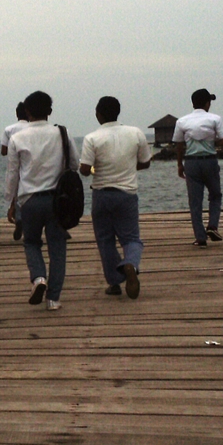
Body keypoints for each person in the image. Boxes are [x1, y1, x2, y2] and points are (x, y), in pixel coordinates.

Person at [5, 91, 79, 311]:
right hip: (58, 200)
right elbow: (74, 164)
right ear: (50, 111)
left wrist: (11, 202)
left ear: (27, 112)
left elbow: (12, 174)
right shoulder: (62, 133)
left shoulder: (17, 138)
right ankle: (53, 299)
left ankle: (38, 278)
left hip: (29, 200)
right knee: (57, 248)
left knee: (31, 242)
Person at [79, 96, 152, 299]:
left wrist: (94, 169)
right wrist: (129, 167)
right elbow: (146, 162)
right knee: (131, 238)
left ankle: (114, 282)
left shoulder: (92, 138)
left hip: (102, 194)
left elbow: (84, 169)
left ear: (98, 114)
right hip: (127, 194)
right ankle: (130, 264)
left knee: (105, 240)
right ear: (118, 112)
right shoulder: (135, 133)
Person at [173, 89, 223, 247]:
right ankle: (212, 226)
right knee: (215, 195)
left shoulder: (182, 121)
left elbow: (179, 145)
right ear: (207, 103)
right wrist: (212, 142)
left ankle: (200, 238)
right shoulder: (215, 119)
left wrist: (179, 164)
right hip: (209, 161)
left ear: (193, 103)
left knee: (195, 201)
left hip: (191, 162)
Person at [1, 102, 30, 240]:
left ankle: (19, 218)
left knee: (18, 194)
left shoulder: (9, 129)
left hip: (15, 163)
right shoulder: (32, 128)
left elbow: (3, 151)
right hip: (30, 164)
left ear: (17, 114)